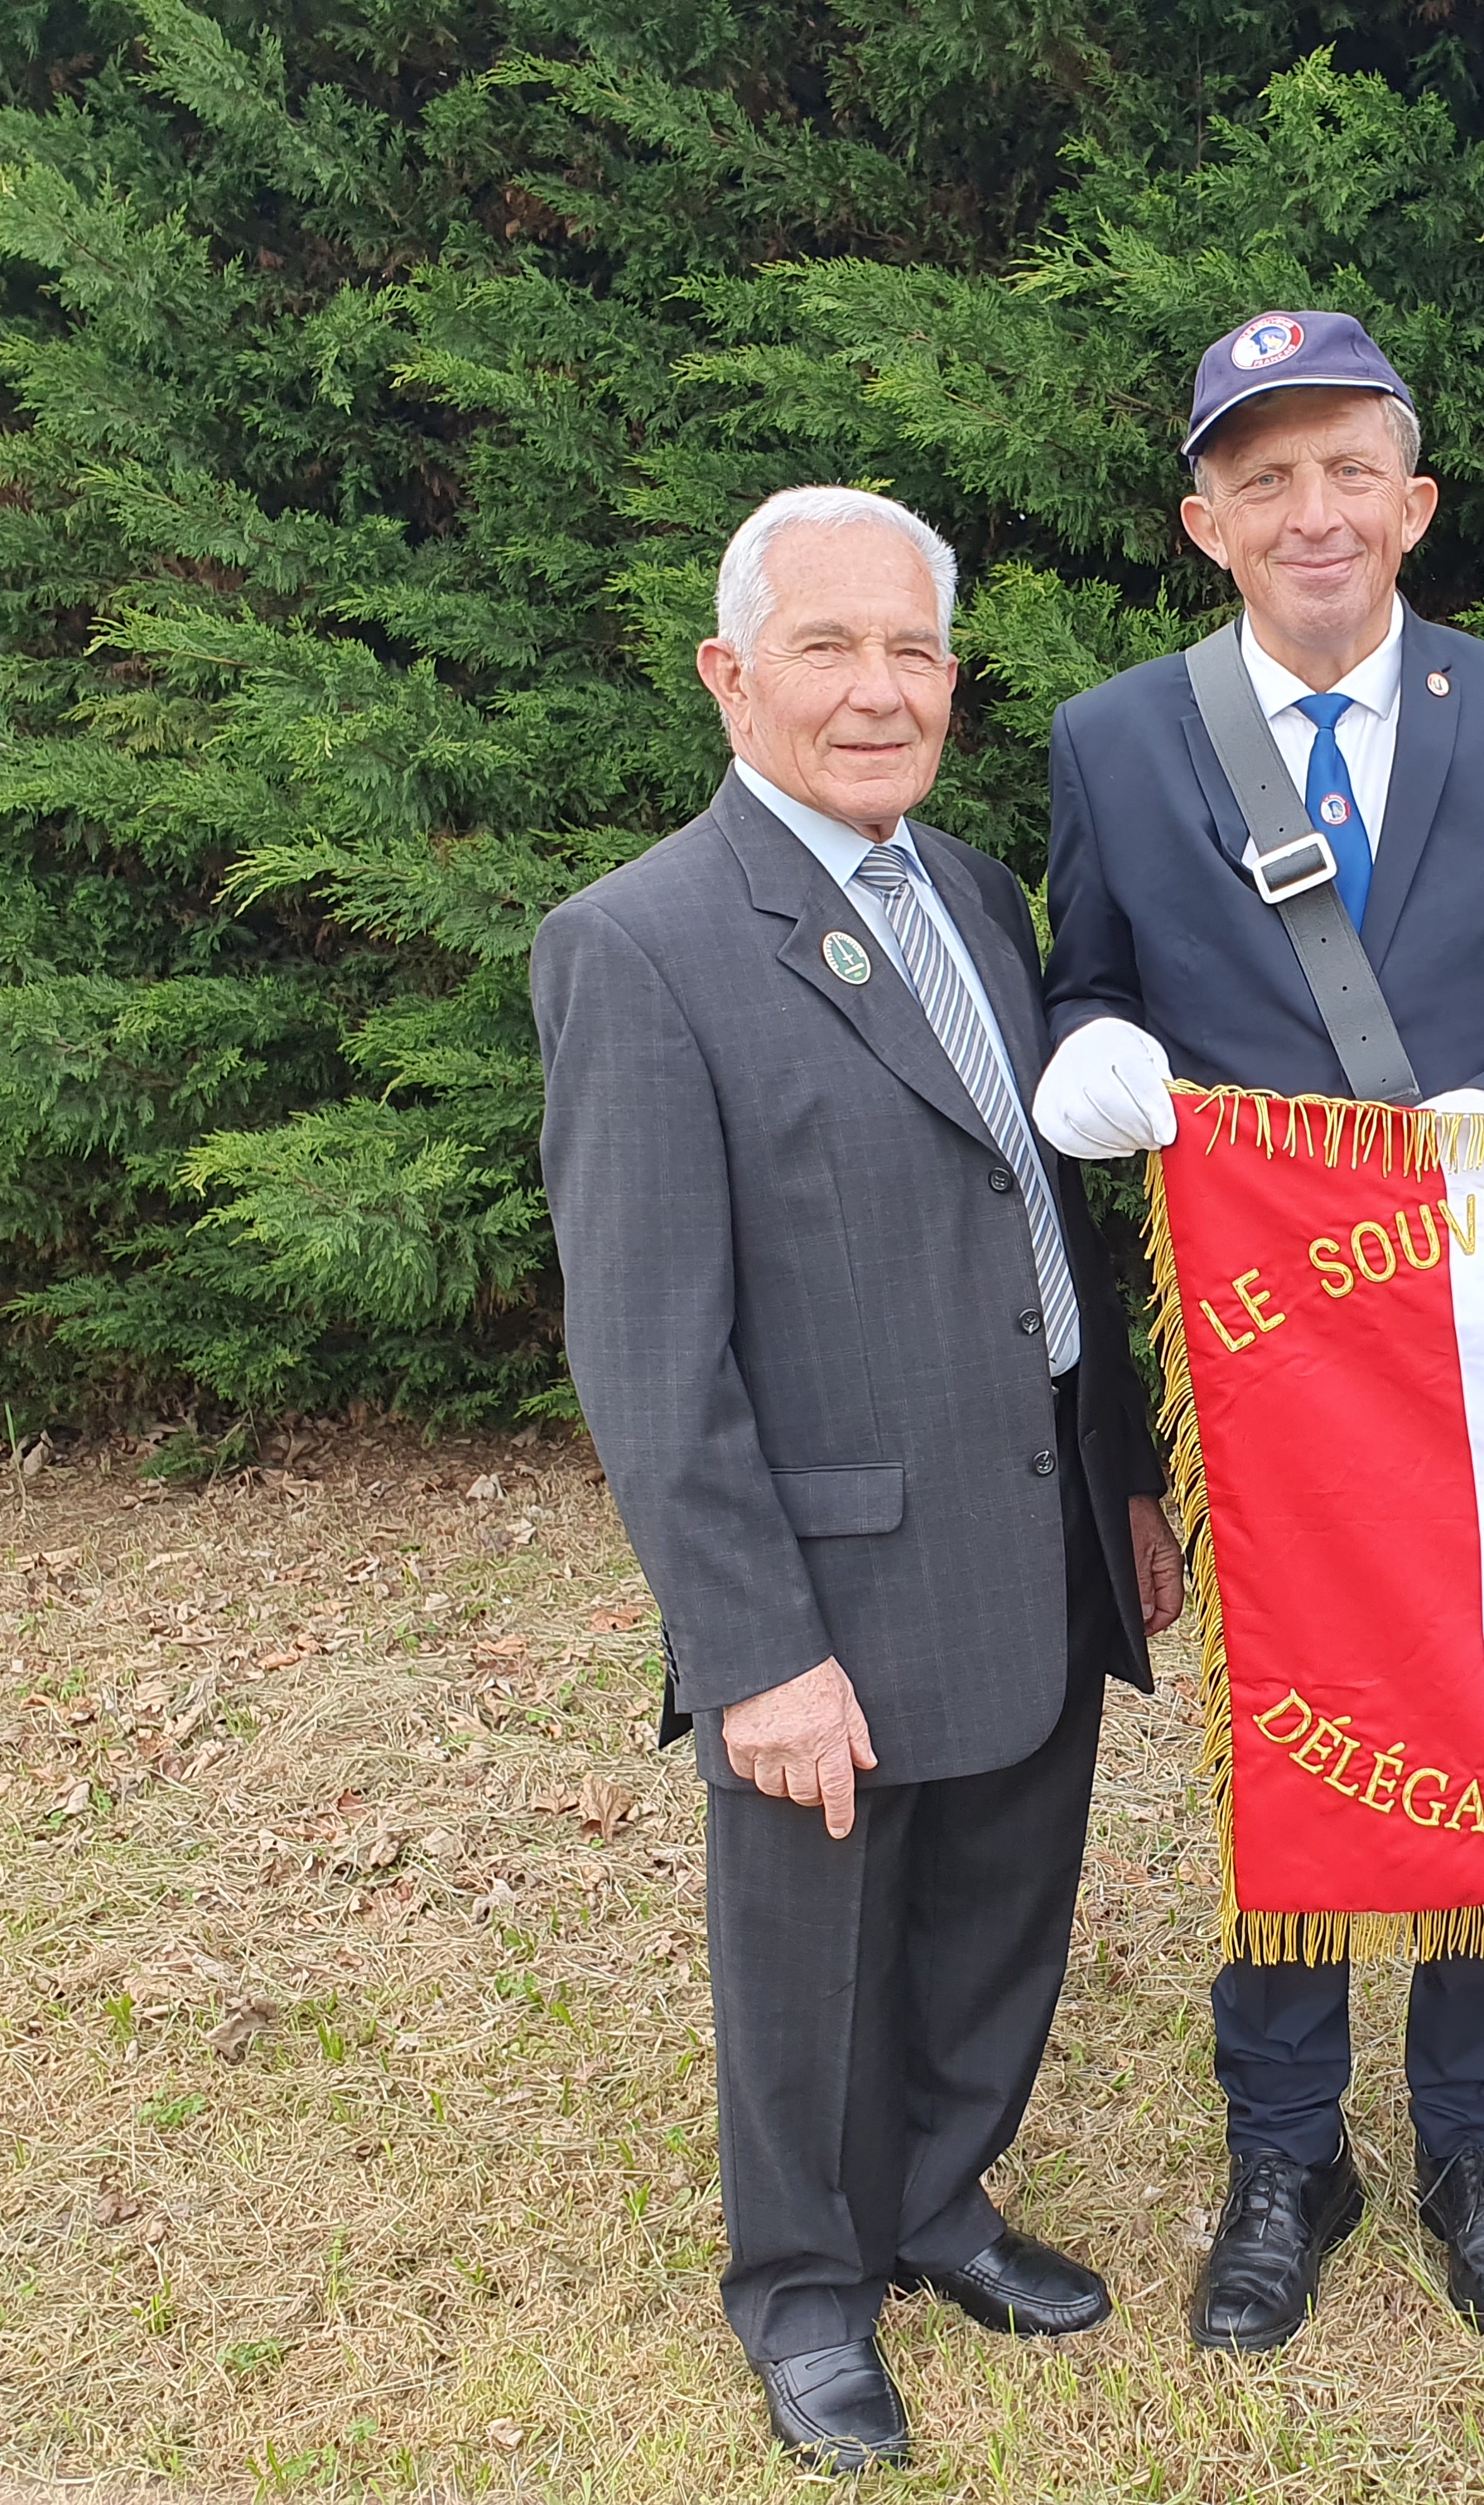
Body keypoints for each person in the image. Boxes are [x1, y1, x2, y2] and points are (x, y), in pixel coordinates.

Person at [1032, 309, 1484, 2349]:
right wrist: (1096, 1051)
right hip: (1261, 1346)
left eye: (1348, 472)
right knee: (1290, 1735)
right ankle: (1285, 2146)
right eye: (1264, 478)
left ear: (1415, 504)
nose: (1312, 511)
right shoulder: (1118, 738)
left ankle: (1480, 2140)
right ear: (1205, 522)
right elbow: (1084, 988)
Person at [532, 486, 1186, 2471]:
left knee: (1002, 1905)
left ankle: (935, 2202)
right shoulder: (641, 944)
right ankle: (809, 2289)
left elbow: (1044, 1218)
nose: (878, 691)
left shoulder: (975, 895)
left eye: (913, 651)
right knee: (818, 1958)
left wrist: (1124, 1478)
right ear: (731, 675)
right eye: (828, 648)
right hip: (833, 1566)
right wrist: (754, 1651)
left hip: (1037, 1519)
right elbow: (649, 1352)